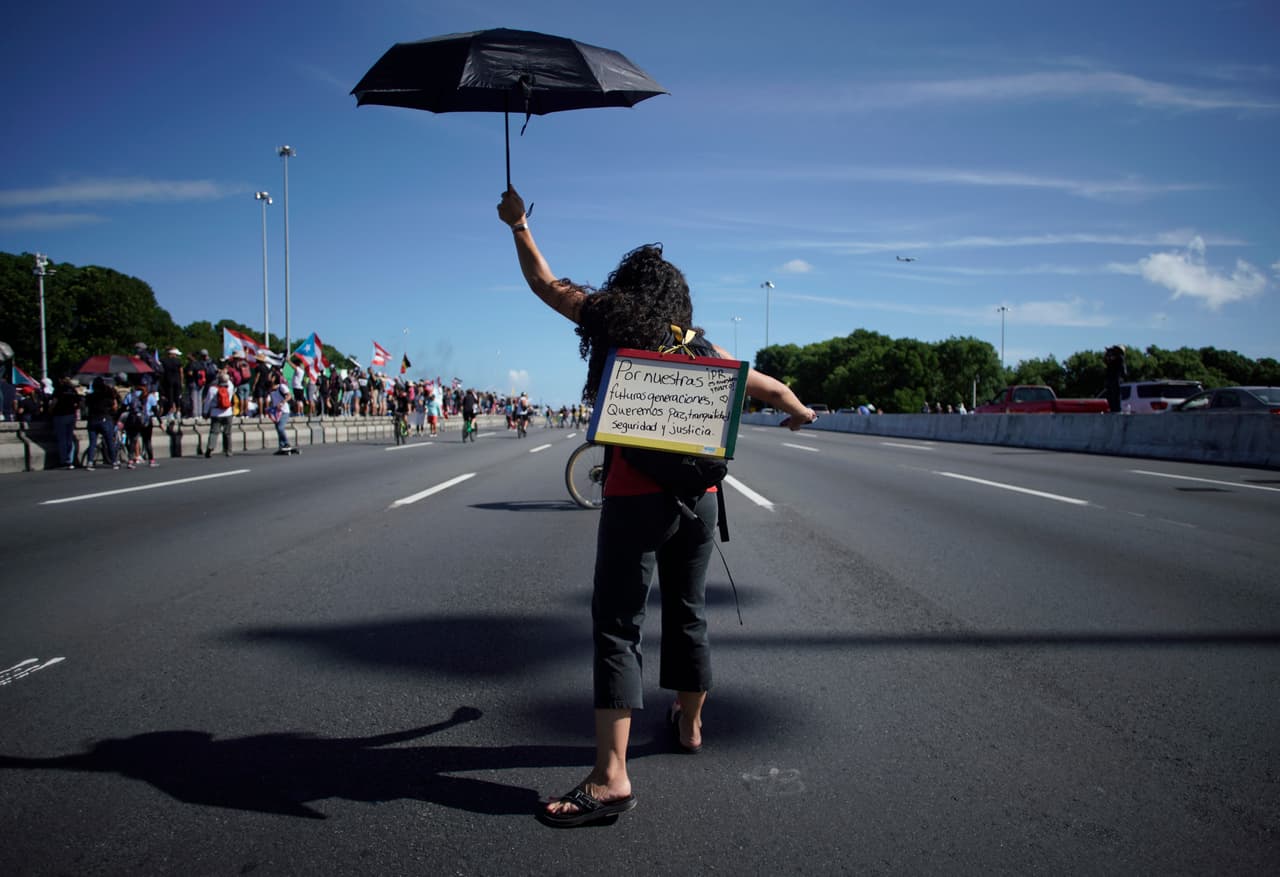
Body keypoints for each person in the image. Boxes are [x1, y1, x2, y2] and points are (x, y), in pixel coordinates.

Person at [497, 186, 818, 827]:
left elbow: (544, 282)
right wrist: (801, 413)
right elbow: (776, 389)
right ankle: (691, 725)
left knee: (619, 626)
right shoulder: (702, 351)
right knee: (689, 615)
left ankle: (612, 777)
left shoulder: (612, 322)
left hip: (634, 500)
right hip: (698, 505)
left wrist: (519, 224)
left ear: (626, 287)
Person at [84, 376, 120, 470]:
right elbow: (114, 407)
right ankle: (113, 461)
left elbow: (85, 406)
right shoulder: (107, 395)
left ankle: (90, 462)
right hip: (105, 419)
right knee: (109, 442)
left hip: (92, 420)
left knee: (92, 443)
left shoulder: (90, 396)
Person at [121, 383, 159, 468]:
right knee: (147, 441)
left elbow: (122, 408)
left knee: (133, 441)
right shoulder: (149, 396)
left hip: (134, 421)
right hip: (146, 421)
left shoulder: (130, 395)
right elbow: (155, 410)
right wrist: (160, 422)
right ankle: (151, 460)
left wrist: (118, 419)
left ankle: (130, 461)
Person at [51, 375, 82, 469]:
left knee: (62, 438)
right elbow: (79, 402)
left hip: (60, 415)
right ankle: (70, 459)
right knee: (69, 438)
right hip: (71, 414)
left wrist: (50, 410)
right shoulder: (72, 390)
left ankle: (63, 460)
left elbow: (54, 402)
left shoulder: (59, 389)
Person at [203, 368, 236, 457]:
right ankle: (228, 450)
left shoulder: (212, 389)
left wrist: (205, 412)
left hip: (215, 413)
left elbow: (207, 402)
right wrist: (224, 374)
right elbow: (229, 382)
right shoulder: (230, 387)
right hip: (227, 412)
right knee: (227, 433)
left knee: (214, 432)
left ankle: (210, 447)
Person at [267, 371, 295, 455]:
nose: (268, 377)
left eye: (270, 376)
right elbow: (273, 400)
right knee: (278, 429)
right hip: (276, 412)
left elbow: (289, 396)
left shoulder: (282, 387)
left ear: (274, 378)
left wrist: (282, 402)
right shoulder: (271, 388)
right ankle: (281, 447)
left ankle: (286, 443)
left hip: (284, 411)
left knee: (280, 428)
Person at [1104, 344, 1127, 413]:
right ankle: (1113, 409)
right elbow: (1106, 361)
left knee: (1115, 396)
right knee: (1110, 396)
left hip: (1116, 380)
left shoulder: (1120, 358)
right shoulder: (1112, 359)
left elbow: (1124, 371)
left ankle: (1117, 409)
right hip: (1111, 380)